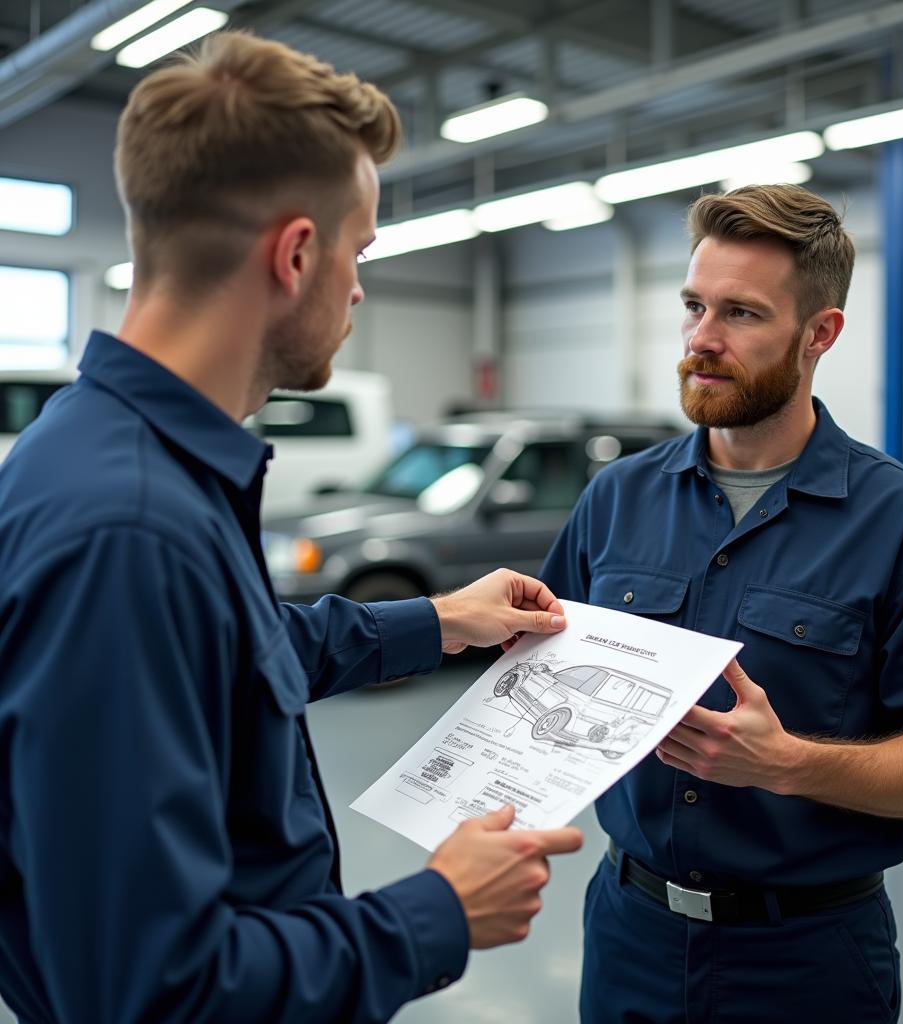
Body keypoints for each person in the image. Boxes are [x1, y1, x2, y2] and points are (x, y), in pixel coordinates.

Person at [0, 32, 583, 1024]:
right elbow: (150, 992)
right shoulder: (130, 531)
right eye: (357, 250)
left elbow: (229, 660)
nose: (356, 286)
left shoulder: (107, 446)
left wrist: (438, 619)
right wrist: (436, 909)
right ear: (297, 253)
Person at [540, 184, 903, 1023]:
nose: (701, 340)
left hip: (806, 962)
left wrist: (787, 763)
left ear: (819, 334)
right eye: (693, 306)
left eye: (742, 315)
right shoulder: (616, 499)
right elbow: (546, 680)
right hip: (628, 938)